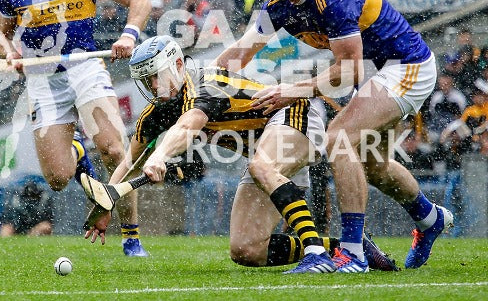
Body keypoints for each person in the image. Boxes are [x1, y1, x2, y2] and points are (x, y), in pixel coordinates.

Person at [215, 0, 453, 272]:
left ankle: (353, 252)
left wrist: (292, 90)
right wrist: (202, 77)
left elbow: (347, 70)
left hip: (404, 66)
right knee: (374, 166)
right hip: (373, 73)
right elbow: (241, 51)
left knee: (338, 138)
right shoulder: (278, 5)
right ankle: (429, 219)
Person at [84, 36, 397, 273]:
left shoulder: (205, 83)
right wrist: (105, 202)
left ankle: (315, 254)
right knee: (246, 249)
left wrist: (160, 155)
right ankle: (348, 248)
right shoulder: (155, 114)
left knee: (261, 164)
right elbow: (128, 163)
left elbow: (189, 126)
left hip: (294, 115)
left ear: (178, 66)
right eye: (145, 80)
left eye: (156, 76)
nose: (152, 86)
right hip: (269, 154)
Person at [0, 0, 151, 256]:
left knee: (114, 150)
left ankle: (131, 235)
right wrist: (9, 52)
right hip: (41, 80)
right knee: (59, 178)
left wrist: (128, 35)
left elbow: (139, 0)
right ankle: (78, 148)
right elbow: (0, 35)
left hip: (86, 69)